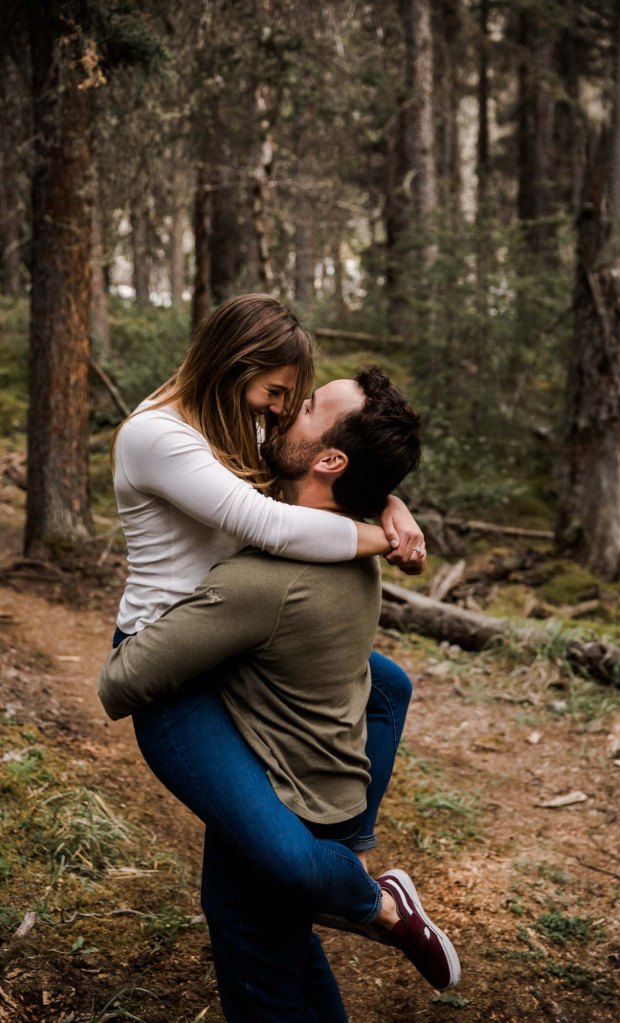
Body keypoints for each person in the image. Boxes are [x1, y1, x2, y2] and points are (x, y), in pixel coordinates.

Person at [100, 367, 460, 1022]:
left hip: (266, 760)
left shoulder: (265, 582)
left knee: (259, 938)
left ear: (329, 458)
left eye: (312, 404)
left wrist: (193, 641)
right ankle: (345, 854)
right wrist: (386, 502)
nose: (290, 406)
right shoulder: (344, 535)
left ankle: (367, 894)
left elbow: (121, 680)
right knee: (282, 939)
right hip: (315, 775)